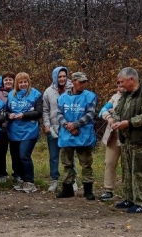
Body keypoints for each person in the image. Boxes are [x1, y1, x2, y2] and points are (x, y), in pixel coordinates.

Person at [111, 67, 142, 214]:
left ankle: (141, 202)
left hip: (141, 140)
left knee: (138, 171)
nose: (120, 84)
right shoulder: (126, 95)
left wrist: (129, 122)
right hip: (127, 139)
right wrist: (116, 121)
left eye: (122, 81)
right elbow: (118, 110)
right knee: (127, 171)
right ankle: (129, 198)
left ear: (131, 79)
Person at [56, 71, 97, 200]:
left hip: (83, 135)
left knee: (86, 163)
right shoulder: (62, 97)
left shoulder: (90, 96)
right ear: (73, 82)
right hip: (67, 134)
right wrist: (68, 126)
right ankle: (67, 189)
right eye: (81, 82)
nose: (83, 84)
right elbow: (58, 114)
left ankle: (88, 190)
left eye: (85, 82)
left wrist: (76, 124)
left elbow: (90, 114)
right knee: (67, 163)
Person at [7, 72, 43, 194]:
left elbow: (39, 112)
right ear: (16, 83)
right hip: (14, 130)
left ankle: (30, 181)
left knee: (24, 155)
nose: (23, 84)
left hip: (29, 130)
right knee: (16, 157)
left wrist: (24, 115)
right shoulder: (11, 95)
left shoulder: (36, 94)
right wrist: (9, 115)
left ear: (28, 82)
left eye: (25, 82)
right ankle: (21, 179)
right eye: (20, 82)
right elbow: (6, 111)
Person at [42, 66, 69, 193]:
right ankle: (54, 180)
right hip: (53, 128)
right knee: (54, 156)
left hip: (68, 128)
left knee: (69, 156)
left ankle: (70, 180)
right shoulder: (48, 91)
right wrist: (46, 125)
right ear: (55, 77)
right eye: (59, 76)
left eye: (64, 76)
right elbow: (46, 110)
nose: (62, 79)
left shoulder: (71, 88)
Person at [98, 81, 124, 201]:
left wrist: (116, 113)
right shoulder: (115, 97)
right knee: (109, 162)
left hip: (127, 134)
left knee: (128, 164)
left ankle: (129, 190)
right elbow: (102, 110)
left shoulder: (135, 97)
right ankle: (108, 189)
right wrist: (108, 116)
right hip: (113, 134)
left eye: (122, 85)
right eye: (118, 85)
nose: (120, 88)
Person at [0, 72, 16, 183]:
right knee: (0, 151)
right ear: (2, 81)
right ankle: (1, 173)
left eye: (10, 79)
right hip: (1, 126)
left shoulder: (18, 93)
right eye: (6, 79)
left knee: (15, 151)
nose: (8, 81)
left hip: (16, 126)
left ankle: (17, 174)